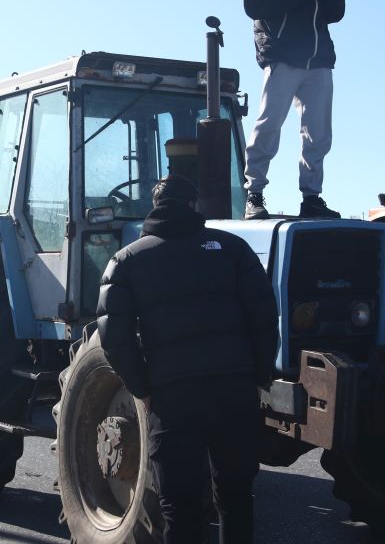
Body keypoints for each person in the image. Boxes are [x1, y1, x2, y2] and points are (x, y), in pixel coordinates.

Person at [96, 175, 278, 543]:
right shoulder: (234, 249)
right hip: (233, 391)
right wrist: (259, 376)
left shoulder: (126, 260)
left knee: (177, 506)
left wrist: (141, 387)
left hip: (173, 397)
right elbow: (263, 316)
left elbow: (113, 336)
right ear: (194, 206)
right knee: (235, 499)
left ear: (155, 206)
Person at [241, 0, 347, 220]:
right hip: (282, 53)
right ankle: (253, 194)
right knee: (269, 123)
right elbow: (252, 3)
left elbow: (333, 16)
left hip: (318, 57)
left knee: (318, 132)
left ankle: (312, 198)